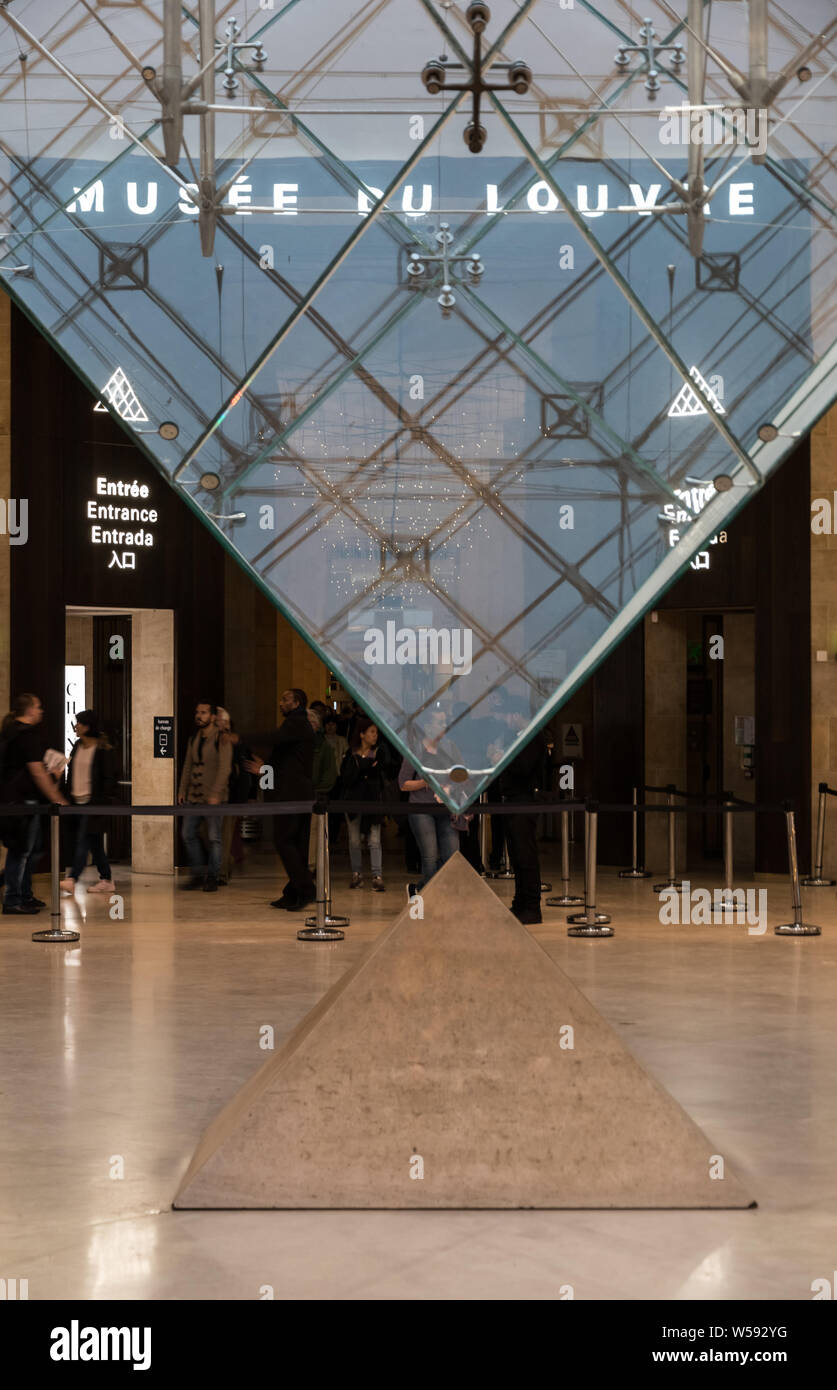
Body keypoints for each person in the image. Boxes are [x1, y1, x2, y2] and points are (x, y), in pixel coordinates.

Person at [244, 689, 315, 911]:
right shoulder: (295, 728)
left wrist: (241, 739)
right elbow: (283, 765)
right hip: (295, 794)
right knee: (296, 844)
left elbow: (273, 740)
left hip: (292, 796)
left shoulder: (296, 724)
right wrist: (264, 772)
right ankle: (294, 891)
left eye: (285, 699)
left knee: (284, 840)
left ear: (296, 703)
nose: (280, 703)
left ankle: (305, 889)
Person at [0, 693, 67, 915]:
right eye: (38, 707)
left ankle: (24, 894)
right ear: (29, 710)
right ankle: (13, 899)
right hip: (23, 802)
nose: (41, 711)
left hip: (17, 800)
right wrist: (56, 796)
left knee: (31, 849)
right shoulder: (27, 735)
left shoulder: (10, 733)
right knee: (21, 851)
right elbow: (37, 773)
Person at [491, 702, 548, 925]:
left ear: (517, 714)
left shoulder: (533, 737)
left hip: (525, 801)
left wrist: (501, 759)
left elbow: (523, 768)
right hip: (512, 800)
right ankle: (520, 902)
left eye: (508, 715)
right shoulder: (516, 736)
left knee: (526, 855)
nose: (506, 720)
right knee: (516, 854)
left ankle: (532, 906)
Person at [398, 709, 463, 894]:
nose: (443, 726)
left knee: (451, 854)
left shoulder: (450, 747)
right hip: (421, 808)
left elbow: (462, 776)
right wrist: (423, 782)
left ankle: (423, 889)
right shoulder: (415, 749)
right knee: (430, 855)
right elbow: (403, 784)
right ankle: (432, 897)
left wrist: (452, 789)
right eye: (439, 722)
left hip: (446, 806)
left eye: (445, 721)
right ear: (427, 727)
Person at [59, 710, 117, 896]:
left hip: (93, 804)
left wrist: (101, 802)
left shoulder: (102, 750)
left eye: (80, 724)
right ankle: (106, 879)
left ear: (89, 726)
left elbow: (108, 779)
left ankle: (72, 879)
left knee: (83, 841)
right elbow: (71, 773)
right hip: (76, 802)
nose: (76, 727)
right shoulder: (77, 746)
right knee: (95, 843)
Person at [177, 700, 232, 893]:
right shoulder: (194, 738)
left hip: (213, 797)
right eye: (197, 712)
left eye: (203, 712)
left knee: (214, 837)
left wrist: (216, 793)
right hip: (194, 796)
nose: (199, 715)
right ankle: (198, 873)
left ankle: (213, 877)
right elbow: (187, 765)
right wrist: (182, 790)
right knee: (187, 834)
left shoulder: (221, 738)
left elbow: (225, 768)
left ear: (212, 716)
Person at [339, 717, 390, 891]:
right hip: (353, 801)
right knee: (354, 840)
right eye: (372, 732)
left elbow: (379, 770)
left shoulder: (380, 752)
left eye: (376, 732)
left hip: (373, 800)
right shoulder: (350, 753)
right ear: (362, 734)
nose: (375, 736)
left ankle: (377, 875)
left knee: (374, 839)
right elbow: (346, 777)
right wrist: (366, 768)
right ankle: (357, 874)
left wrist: (363, 769)